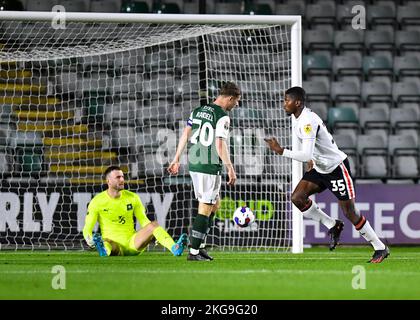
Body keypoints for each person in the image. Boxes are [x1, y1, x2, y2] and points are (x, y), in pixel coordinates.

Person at [265, 86, 390, 263]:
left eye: (287, 100)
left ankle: (380, 247)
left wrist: (281, 151)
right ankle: (332, 224)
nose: (284, 104)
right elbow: (311, 150)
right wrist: (311, 160)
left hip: (336, 168)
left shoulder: (307, 121)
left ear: (297, 102)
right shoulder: (298, 118)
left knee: (350, 212)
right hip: (319, 167)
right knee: (297, 198)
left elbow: (306, 153)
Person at [167, 81, 240, 261]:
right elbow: (219, 144)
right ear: (230, 98)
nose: (236, 105)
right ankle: (194, 252)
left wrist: (176, 158)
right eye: (237, 101)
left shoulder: (197, 111)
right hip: (209, 165)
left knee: (215, 204)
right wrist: (230, 168)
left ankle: (199, 246)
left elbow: (185, 134)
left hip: (195, 163)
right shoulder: (222, 116)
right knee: (206, 206)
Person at [83, 166, 188, 257]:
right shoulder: (97, 201)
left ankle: (174, 248)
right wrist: (89, 240)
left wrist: (155, 233)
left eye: (123, 176)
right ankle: (104, 250)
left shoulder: (132, 197)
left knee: (154, 225)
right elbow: (87, 228)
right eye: (118, 177)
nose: (122, 180)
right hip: (114, 245)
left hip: (133, 243)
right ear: (108, 181)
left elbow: (143, 221)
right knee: (106, 242)